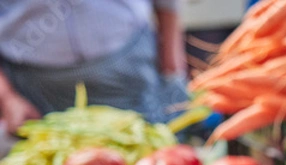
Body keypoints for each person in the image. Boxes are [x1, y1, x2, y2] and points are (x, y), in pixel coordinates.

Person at [0, 0, 189, 134]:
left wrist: (172, 62)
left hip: (130, 67)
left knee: (150, 150)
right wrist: (7, 97)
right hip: (33, 86)